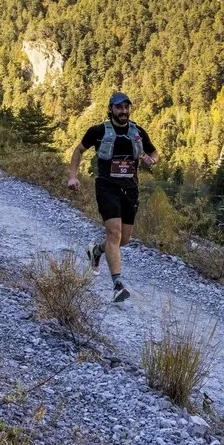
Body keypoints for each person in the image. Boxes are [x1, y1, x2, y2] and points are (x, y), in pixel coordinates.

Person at [66, 92, 157, 303]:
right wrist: (73, 176)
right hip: (106, 187)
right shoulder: (98, 131)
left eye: (126, 107)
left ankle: (96, 251)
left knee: (123, 239)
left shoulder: (138, 132)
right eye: (119, 107)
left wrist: (151, 160)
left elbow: (154, 153)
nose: (123, 111)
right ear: (111, 109)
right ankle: (117, 285)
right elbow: (78, 150)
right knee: (114, 233)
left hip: (130, 190)